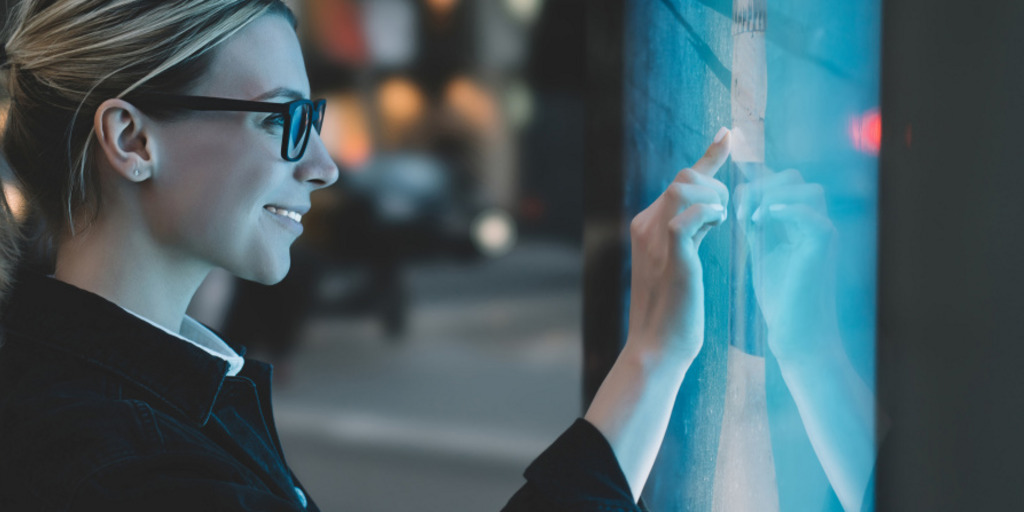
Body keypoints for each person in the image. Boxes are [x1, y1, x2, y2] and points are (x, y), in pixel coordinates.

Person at [0, 1, 732, 510]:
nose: (323, 164)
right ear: (131, 141)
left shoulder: (92, 388)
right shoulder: (132, 469)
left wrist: (651, 359)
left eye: (314, 119)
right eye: (286, 120)